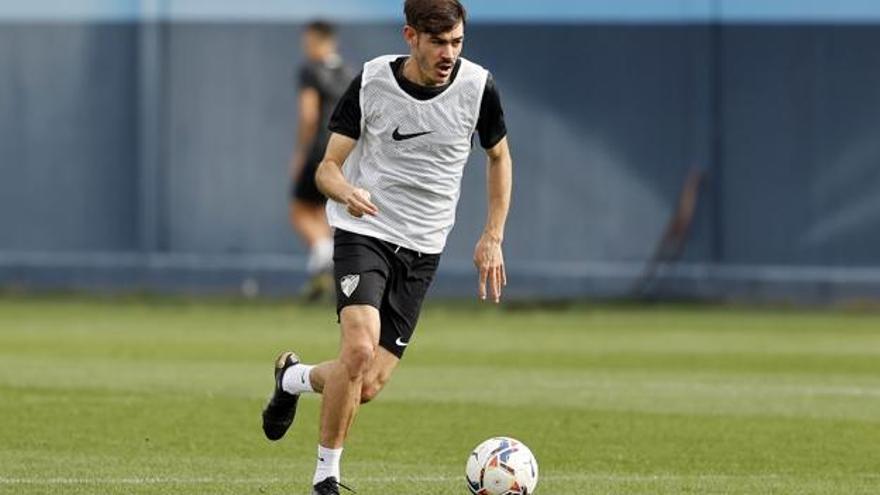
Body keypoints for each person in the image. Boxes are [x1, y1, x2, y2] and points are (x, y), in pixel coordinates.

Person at [262, 1, 512, 493]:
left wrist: (493, 234)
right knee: (356, 350)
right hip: (365, 233)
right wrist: (345, 191)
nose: (448, 53)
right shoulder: (373, 80)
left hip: (424, 246)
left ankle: (292, 378)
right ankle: (325, 477)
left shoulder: (479, 87)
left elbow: (499, 156)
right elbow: (327, 168)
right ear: (410, 36)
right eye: (438, 42)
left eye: (457, 42)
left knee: (368, 384)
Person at [289, 20, 352, 300]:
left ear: (317, 40)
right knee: (323, 212)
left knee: (300, 210)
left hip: (319, 150)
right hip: (344, 150)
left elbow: (309, 114)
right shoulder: (349, 73)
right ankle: (324, 267)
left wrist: (302, 152)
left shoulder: (310, 70)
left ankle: (323, 254)